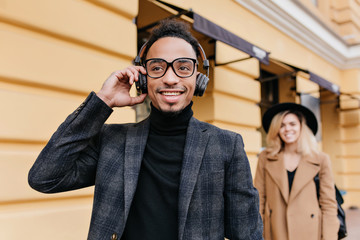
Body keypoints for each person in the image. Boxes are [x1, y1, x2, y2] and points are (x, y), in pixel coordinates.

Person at [28, 19, 263, 240]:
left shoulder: (226, 145)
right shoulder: (112, 140)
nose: (170, 78)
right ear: (142, 77)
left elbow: (247, 233)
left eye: (183, 67)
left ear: (198, 78)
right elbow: (44, 178)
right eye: (158, 67)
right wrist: (102, 102)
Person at [255, 102, 339, 240]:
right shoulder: (265, 158)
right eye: (281, 125)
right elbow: (259, 200)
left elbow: (328, 204)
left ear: (301, 126)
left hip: (310, 232)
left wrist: (329, 237)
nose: (287, 129)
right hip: (275, 231)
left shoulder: (321, 159)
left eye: (292, 124)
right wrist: (257, 234)